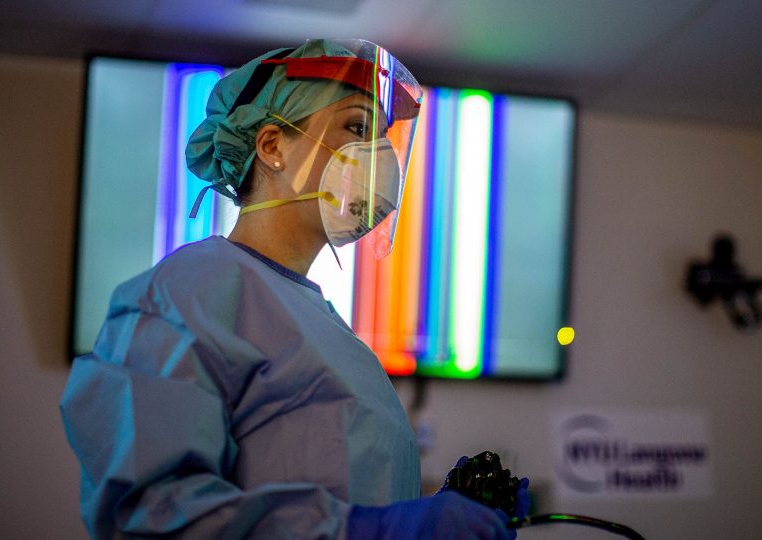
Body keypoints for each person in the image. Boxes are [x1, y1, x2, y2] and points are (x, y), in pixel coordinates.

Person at [61, 38, 524, 539]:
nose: (379, 157)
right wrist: (374, 531)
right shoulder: (184, 295)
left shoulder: (331, 333)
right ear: (272, 147)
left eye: (382, 138)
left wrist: (432, 515)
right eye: (356, 128)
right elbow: (151, 514)